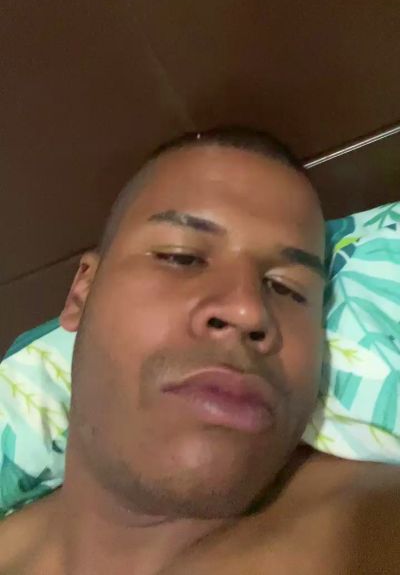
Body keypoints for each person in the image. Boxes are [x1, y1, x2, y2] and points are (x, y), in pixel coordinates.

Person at [0, 127, 399, 575]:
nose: (248, 310)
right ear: (82, 292)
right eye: (181, 257)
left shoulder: (366, 530)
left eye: (287, 288)